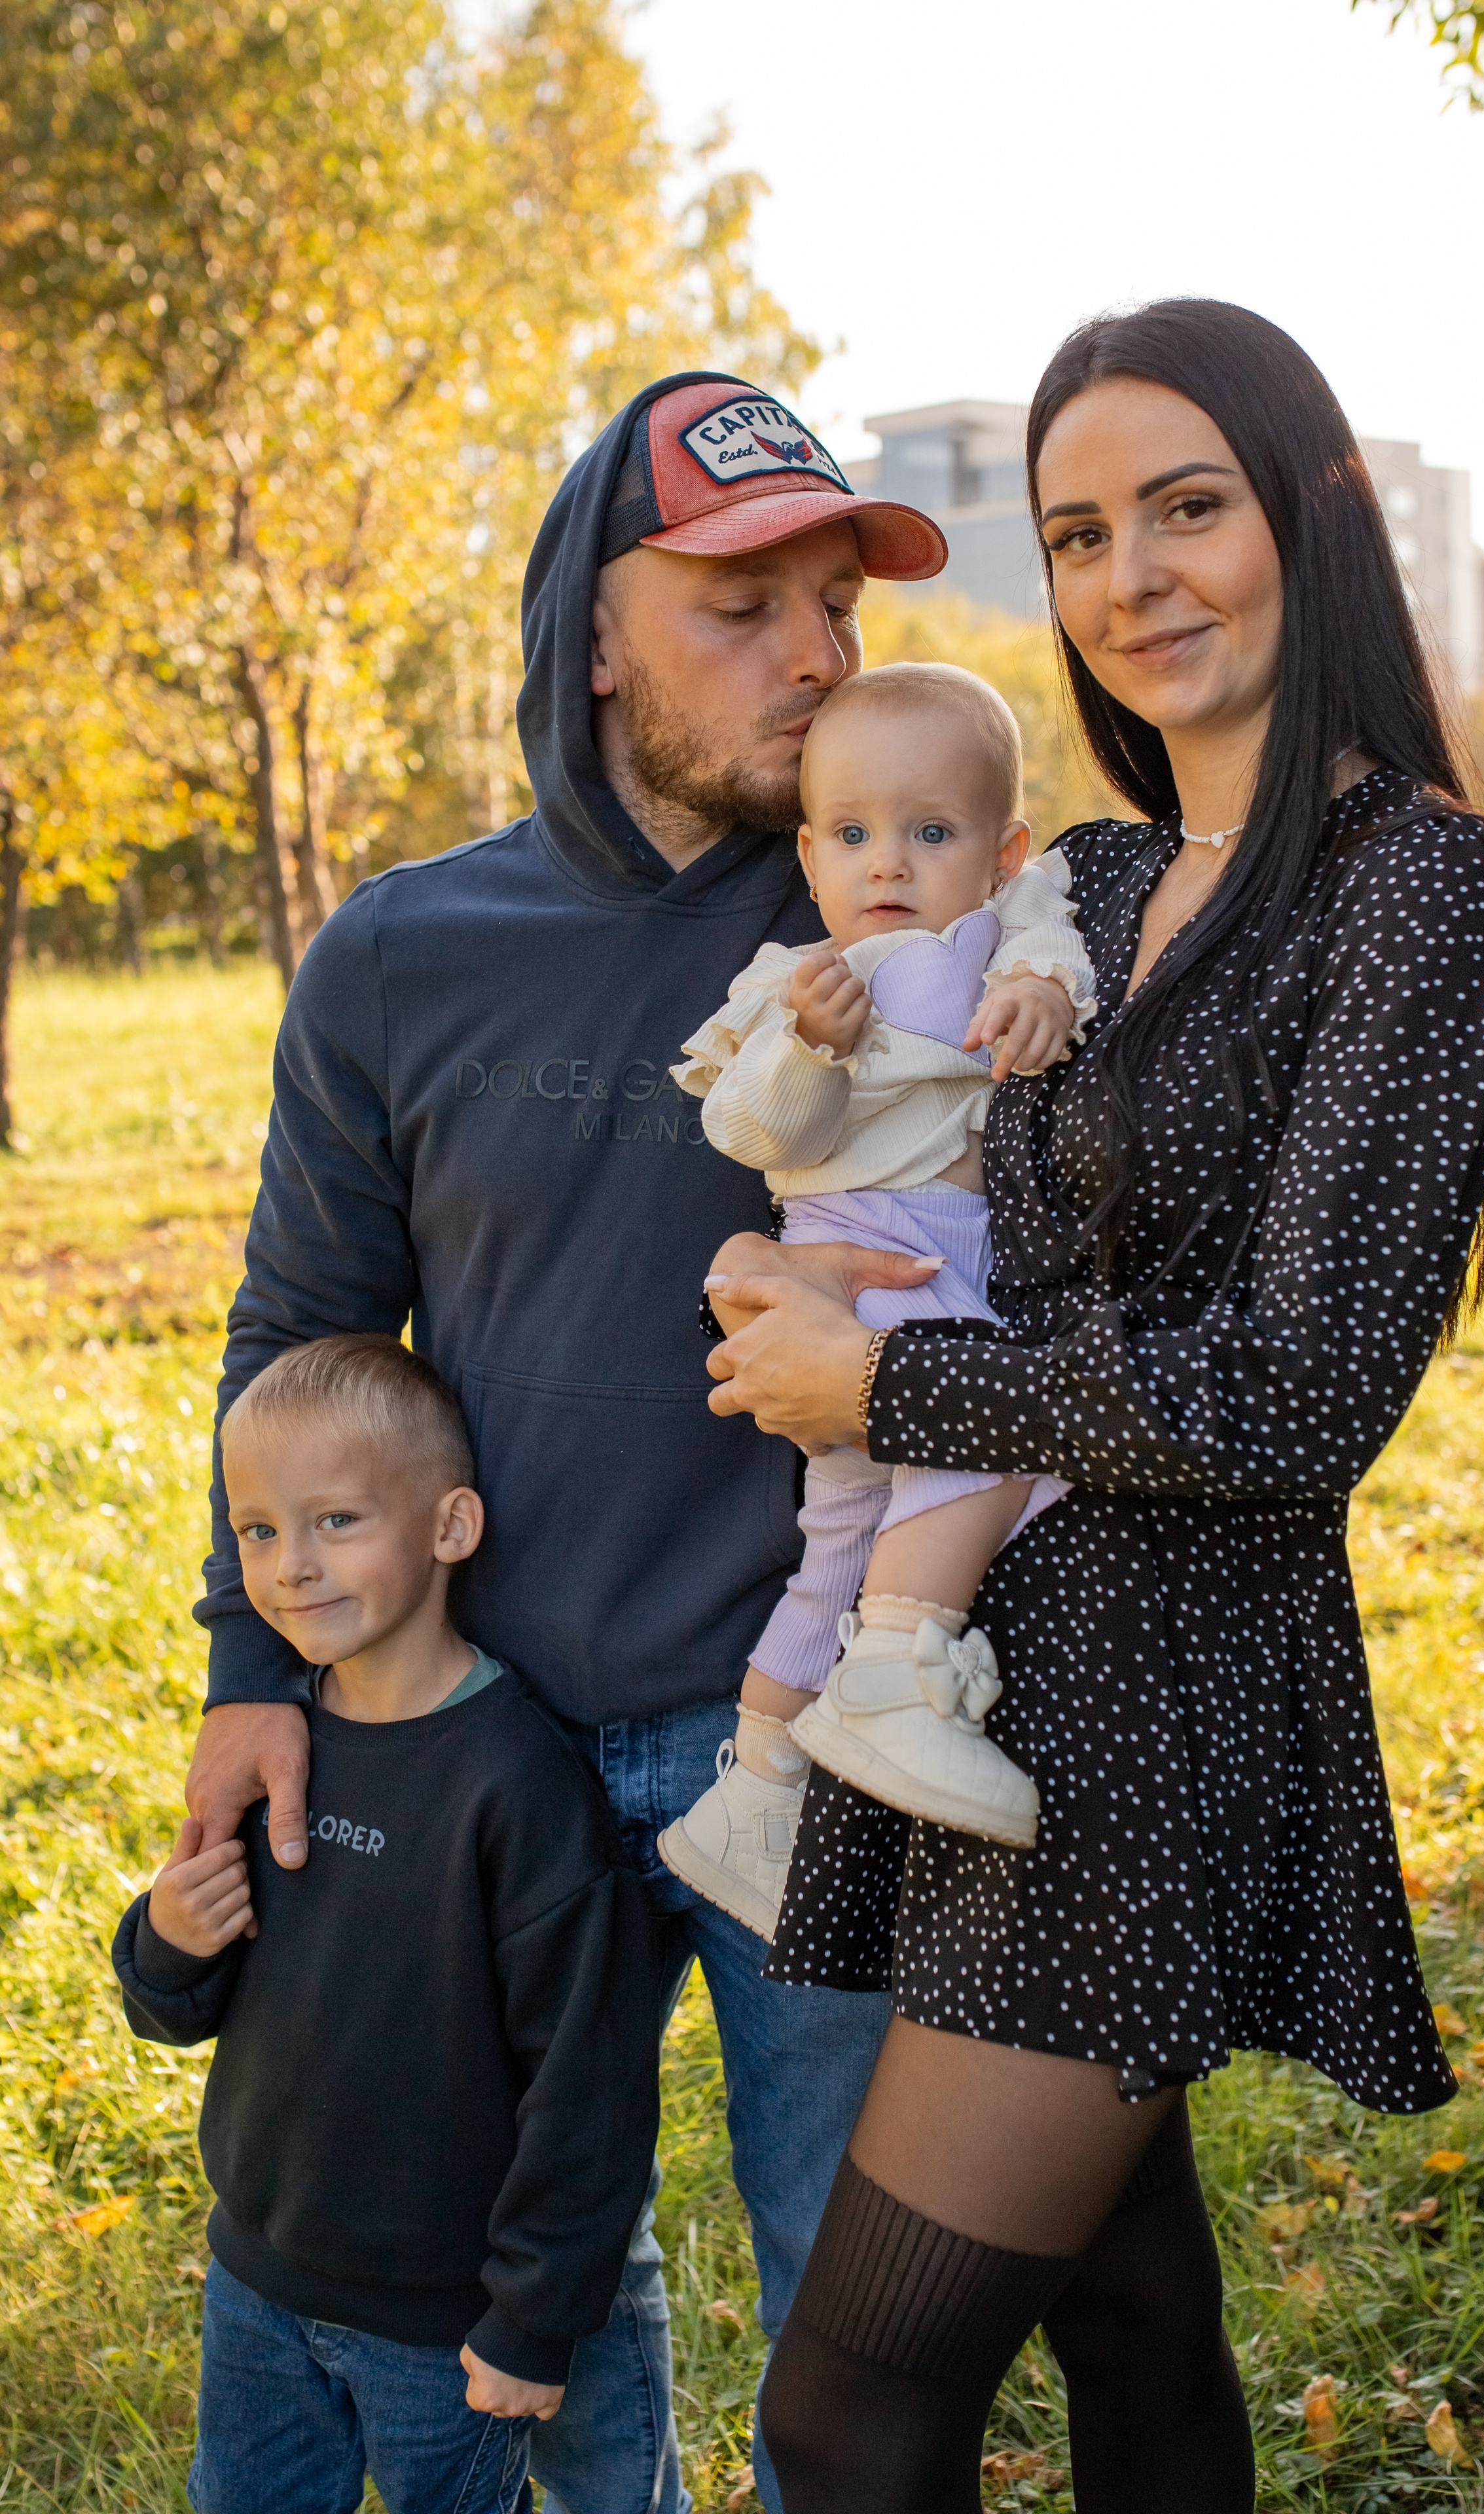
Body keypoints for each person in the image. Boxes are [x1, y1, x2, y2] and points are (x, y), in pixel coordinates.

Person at [698, 300, 1484, 2513]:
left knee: (851, 2407)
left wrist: (886, 1374)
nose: (1132, 576)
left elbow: (1294, 1389)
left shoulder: (1424, 893)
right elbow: (889, 1136)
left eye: (1190, 508)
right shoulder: (1072, 884)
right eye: (1081, 533)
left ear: (1313, 518)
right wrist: (795, 1265)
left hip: (1160, 1720)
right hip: (988, 1663)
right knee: (1131, 2310)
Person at [181, 374, 949, 2514]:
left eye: (836, 606)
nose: (817, 653)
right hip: (468, 1744)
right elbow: (301, 1335)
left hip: (802, 1742)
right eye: (742, 604)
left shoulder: (894, 933)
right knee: (523, 2292)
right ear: (594, 634)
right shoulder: (405, 953)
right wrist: (254, 1685)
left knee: (853, 2330)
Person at [113, 1336, 662, 2514]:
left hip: (441, 2327)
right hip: (255, 2287)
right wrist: (167, 1938)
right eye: (258, 1530)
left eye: (338, 1521)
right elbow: (171, 2005)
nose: (291, 1568)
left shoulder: (517, 1787)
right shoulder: (281, 1750)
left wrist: (531, 2319)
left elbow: (590, 2084)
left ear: (450, 1527)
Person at [659, 663, 1093, 1937]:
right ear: (808, 853)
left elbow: (1059, 957)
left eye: (930, 833)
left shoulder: (1008, 932)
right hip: (867, 1257)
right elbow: (745, 1130)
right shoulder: (790, 984)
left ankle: (758, 1785)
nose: (886, 864)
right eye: (851, 836)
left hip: (938, 1254)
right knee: (989, 1452)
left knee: (838, 1537)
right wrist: (808, 1046)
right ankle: (894, 1675)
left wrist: (1041, 993)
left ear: (1003, 851)